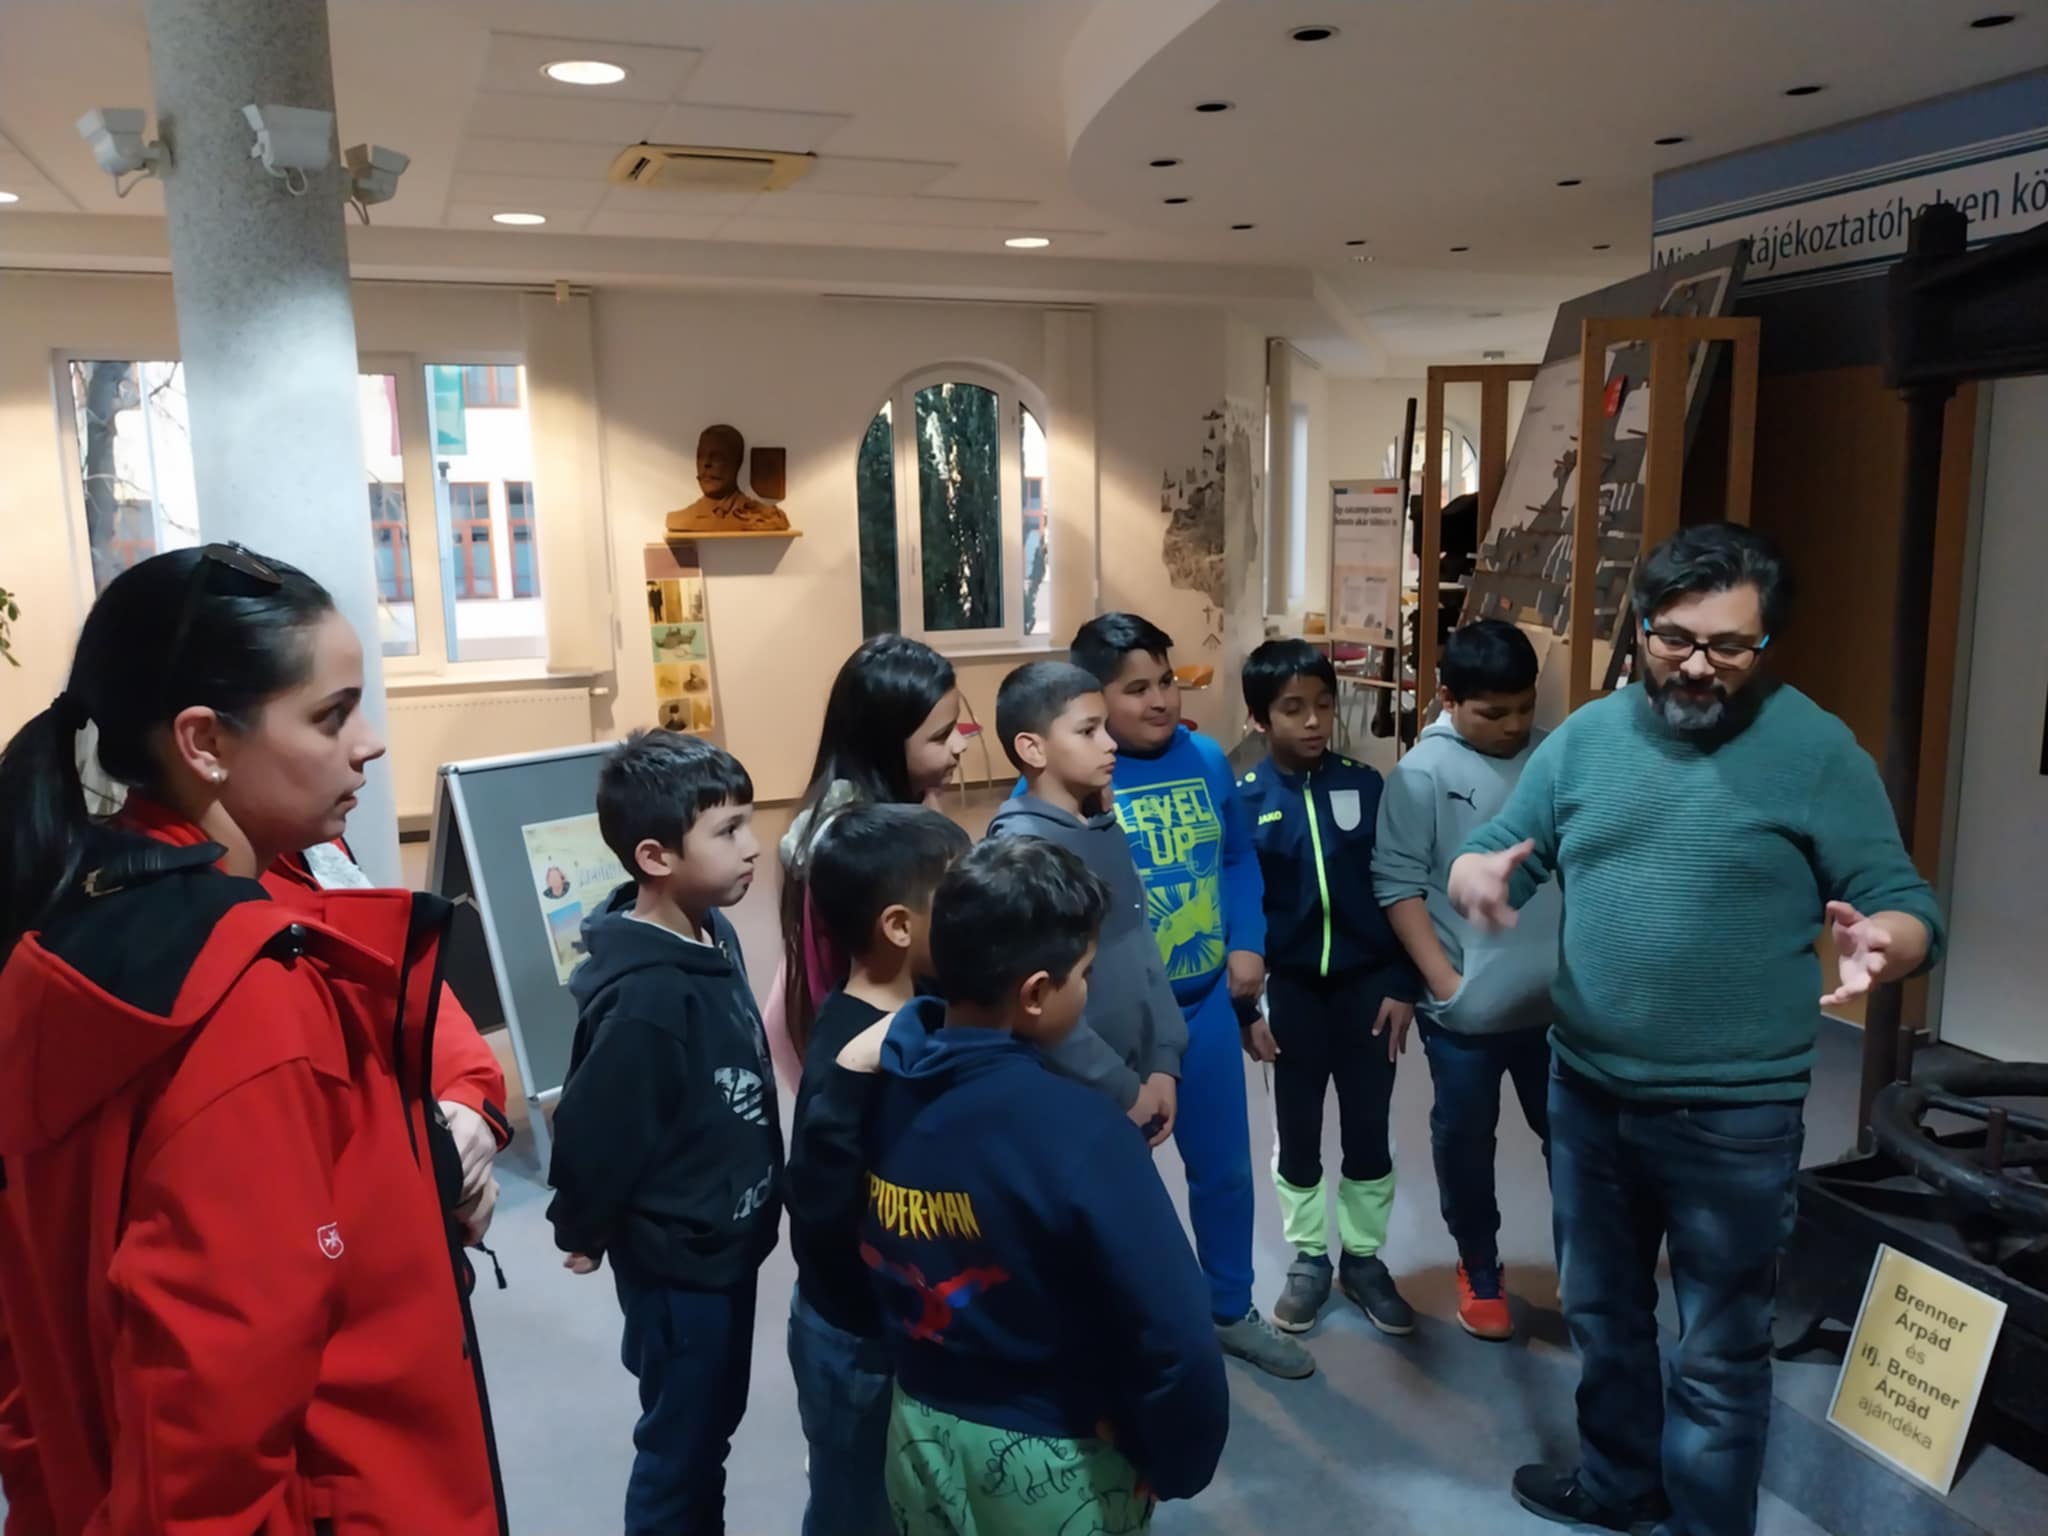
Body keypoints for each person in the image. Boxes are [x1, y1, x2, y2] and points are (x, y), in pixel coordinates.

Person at [1448, 525, 1947, 1536]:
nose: (1696, 665)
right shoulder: (1584, 740)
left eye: (1728, 646)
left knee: (1719, 1350)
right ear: (1640, 627)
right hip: (1587, 1093)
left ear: (1766, 644)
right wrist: (1474, 872)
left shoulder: (1817, 752)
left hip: (1734, 1116)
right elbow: (1503, 848)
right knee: (1602, 1315)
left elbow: (1904, 904)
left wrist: (1886, 943)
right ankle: (1618, 1484)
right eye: (1673, 638)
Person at [0, 544, 505, 1534]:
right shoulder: (244, 994)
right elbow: (212, 1417)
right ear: (204, 743)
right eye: (331, 715)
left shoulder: (77, 920)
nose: (368, 745)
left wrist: (451, 1133)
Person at [861, 838, 1230, 1534]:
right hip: (1048, 1453)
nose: (1086, 991)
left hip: (915, 1431)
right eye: (1083, 974)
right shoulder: (1083, 1132)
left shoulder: (883, 1091)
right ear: (1035, 994)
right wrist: (1175, 1461)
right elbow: (1177, 1337)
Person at [545, 730, 781, 1536]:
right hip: (680, 1265)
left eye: (749, 821)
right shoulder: (647, 997)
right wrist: (581, 1225)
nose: (754, 846)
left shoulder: (713, 931)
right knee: (680, 1448)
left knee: (711, 1430)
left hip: (726, 1241)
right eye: (728, 830)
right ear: (655, 857)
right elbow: (596, 1125)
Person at [1064, 613, 1306, 1377]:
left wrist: (1247, 942)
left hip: (1201, 1010)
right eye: (1136, 689)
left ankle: (1230, 1308)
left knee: (1225, 1171)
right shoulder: (1081, 781)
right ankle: (1122, 1332)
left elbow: (1237, 859)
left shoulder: (1204, 759)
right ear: (1093, 700)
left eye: (1165, 681)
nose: (1161, 699)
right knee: (1115, 1189)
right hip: (1111, 1024)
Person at [784, 803, 970, 1536]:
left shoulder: (925, 1009)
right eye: (956, 897)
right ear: (898, 926)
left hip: (899, 1326)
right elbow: (818, 1209)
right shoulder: (853, 1058)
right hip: (854, 1339)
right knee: (854, 1504)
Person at [1372, 618, 1559, 1342]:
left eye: (1525, 707)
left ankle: (1589, 1262)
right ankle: (1479, 1265)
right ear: (1448, 699)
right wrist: (1446, 983)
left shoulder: (1555, 755)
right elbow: (1398, 885)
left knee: (1576, 1142)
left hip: (1558, 1007)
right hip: (1466, 1015)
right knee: (1466, 1143)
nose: (1514, 726)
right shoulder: (1422, 773)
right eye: (1493, 712)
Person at [1235, 640, 1420, 1339]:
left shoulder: (1367, 785)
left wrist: (1402, 980)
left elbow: (1400, 885)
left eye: (1323, 704)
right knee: (1298, 1132)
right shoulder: (1247, 801)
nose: (1313, 720)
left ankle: (1364, 1259)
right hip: (1291, 996)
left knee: (1370, 1127)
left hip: (1370, 990)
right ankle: (1310, 1257)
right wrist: (1246, 1010)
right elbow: (1239, 911)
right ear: (1259, 719)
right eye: (1292, 709)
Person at [985, 661, 1186, 1137]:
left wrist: (1163, 1059)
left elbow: (1142, 943)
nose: (1110, 743)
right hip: (1071, 1095)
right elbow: (1039, 1005)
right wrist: (1123, 1088)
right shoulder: (1022, 852)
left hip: (1137, 1077)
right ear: (1032, 748)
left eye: (1106, 728)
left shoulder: (1105, 829)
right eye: (1088, 731)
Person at [767, 635, 966, 1089]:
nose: (960, 745)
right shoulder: (860, 845)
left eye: (956, 727)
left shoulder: (905, 805)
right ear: (884, 745)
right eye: (940, 736)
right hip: (874, 1045)